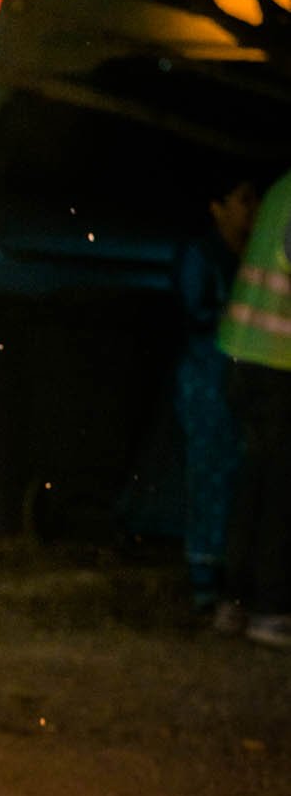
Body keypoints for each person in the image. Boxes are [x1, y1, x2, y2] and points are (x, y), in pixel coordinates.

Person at [173, 175, 259, 609]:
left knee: (233, 471)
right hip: (207, 377)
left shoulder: (247, 255)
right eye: (243, 200)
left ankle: (226, 571)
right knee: (208, 471)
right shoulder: (203, 254)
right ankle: (204, 574)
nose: (253, 208)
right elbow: (196, 313)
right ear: (217, 207)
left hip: (236, 378)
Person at [217, 165, 291, 648]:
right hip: (278, 363)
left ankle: (234, 605)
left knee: (254, 483)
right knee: (281, 493)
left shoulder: (283, 187)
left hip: (242, 354)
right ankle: (271, 611)